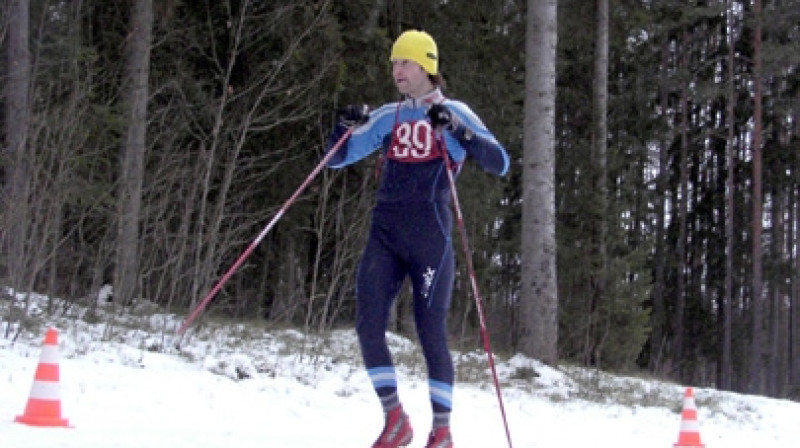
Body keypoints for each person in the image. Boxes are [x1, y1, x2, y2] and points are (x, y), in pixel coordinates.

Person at [325, 29, 509, 448]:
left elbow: (498, 162)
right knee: (368, 325)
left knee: (430, 332)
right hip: (385, 234)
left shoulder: (454, 110)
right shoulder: (388, 116)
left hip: (431, 236)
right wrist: (341, 126)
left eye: (404, 62)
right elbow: (335, 159)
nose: (396, 70)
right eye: (393, 63)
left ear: (427, 66)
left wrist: (457, 130)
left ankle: (441, 431)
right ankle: (395, 420)